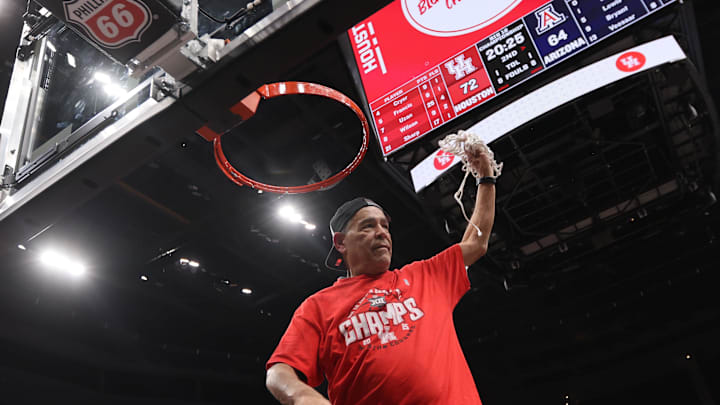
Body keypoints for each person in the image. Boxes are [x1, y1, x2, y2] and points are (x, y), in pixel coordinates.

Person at [265, 144, 497, 405]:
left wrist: (485, 178)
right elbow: (278, 372)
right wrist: (301, 396)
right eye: (368, 226)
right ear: (341, 243)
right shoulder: (317, 306)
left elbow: (476, 244)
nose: (382, 232)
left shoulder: (424, 275)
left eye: (385, 226)